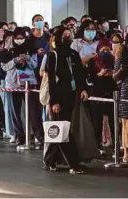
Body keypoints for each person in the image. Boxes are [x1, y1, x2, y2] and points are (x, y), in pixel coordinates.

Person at [45, 27, 89, 174]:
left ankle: (50, 159)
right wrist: (54, 102)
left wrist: (83, 89)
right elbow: (51, 81)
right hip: (60, 97)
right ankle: (73, 163)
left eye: (69, 35)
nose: (67, 38)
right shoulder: (53, 55)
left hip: (72, 96)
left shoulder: (74, 54)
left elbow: (79, 75)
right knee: (63, 129)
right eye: (64, 35)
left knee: (62, 128)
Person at [113, 35, 128, 163]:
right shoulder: (122, 55)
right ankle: (126, 152)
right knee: (126, 124)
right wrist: (123, 70)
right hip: (126, 91)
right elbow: (115, 76)